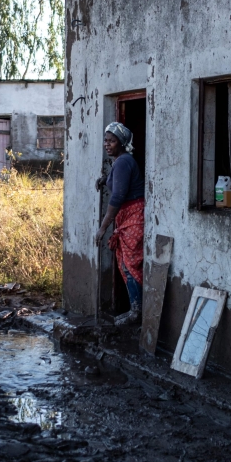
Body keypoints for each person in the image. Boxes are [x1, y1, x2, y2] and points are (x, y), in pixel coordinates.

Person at [94, 122, 144, 326]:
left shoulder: (123, 162)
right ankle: (135, 309)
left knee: (130, 263)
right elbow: (119, 180)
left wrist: (103, 227)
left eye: (112, 141)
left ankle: (137, 311)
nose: (107, 145)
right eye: (106, 141)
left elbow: (118, 197)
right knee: (125, 261)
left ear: (121, 143)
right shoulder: (120, 162)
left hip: (133, 215)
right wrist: (105, 179)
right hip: (127, 215)